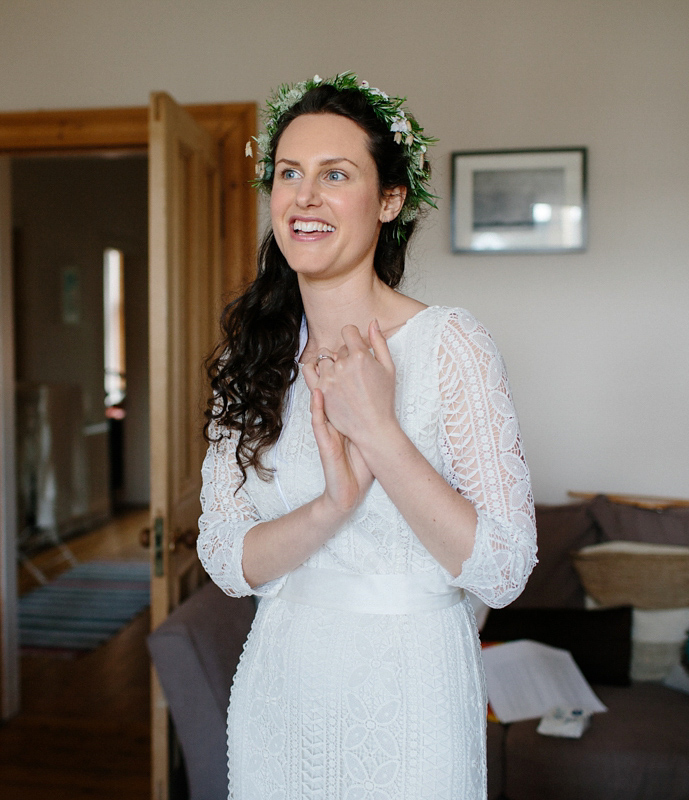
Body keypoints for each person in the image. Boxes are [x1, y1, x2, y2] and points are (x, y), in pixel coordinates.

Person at [197, 72, 538, 799]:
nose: (305, 196)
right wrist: (330, 507)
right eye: (289, 173)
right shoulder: (251, 358)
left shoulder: (452, 348)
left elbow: (503, 571)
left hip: (414, 695)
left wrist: (378, 430)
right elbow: (226, 559)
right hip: (280, 689)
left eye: (335, 174)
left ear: (389, 200)